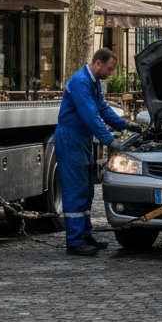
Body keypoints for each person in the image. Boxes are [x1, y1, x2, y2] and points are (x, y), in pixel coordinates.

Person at [55, 48, 141, 256]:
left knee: (86, 190)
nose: (111, 73)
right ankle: (75, 241)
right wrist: (110, 141)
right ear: (98, 63)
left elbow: (103, 109)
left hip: (81, 140)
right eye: (110, 69)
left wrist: (125, 125)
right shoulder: (81, 82)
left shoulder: (92, 82)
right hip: (71, 140)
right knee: (75, 190)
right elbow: (91, 116)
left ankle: (85, 235)